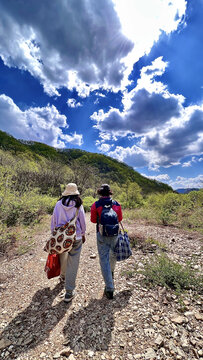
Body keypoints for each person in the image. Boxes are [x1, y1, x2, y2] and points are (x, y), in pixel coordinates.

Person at [51, 183, 86, 302]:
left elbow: (54, 220)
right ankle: (69, 292)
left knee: (63, 257)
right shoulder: (78, 205)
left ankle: (63, 276)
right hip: (76, 237)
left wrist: (54, 234)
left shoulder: (58, 204)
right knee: (73, 262)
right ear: (76, 192)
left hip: (61, 238)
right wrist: (83, 233)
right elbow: (82, 221)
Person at [90, 184, 122, 299]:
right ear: (110, 192)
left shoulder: (96, 205)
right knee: (113, 254)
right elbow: (120, 219)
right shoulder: (116, 204)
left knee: (103, 259)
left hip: (102, 234)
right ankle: (111, 273)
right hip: (114, 233)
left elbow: (93, 220)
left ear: (100, 193)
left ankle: (109, 288)